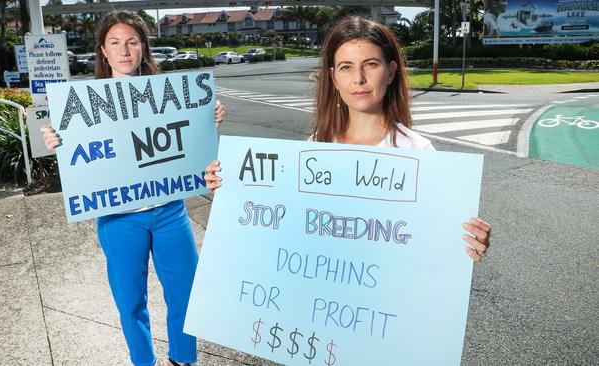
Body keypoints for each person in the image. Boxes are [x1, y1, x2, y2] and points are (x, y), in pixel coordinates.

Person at [204, 16, 490, 261]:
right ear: (333, 77)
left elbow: (438, 240)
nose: (359, 79)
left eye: (371, 65)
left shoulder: (419, 152)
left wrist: (467, 242)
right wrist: (231, 192)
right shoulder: (315, 148)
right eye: (346, 67)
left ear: (390, 72)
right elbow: (282, 222)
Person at [41, 10, 225, 366]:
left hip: (171, 212)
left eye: (132, 42)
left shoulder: (173, 94)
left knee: (186, 294)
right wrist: (57, 140)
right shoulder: (80, 106)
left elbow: (194, 142)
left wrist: (210, 114)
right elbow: (82, 158)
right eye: (115, 43)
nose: (124, 51)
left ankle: (183, 358)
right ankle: (144, 361)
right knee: (130, 301)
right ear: (103, 51)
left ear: (143, 48)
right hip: (119, 219)